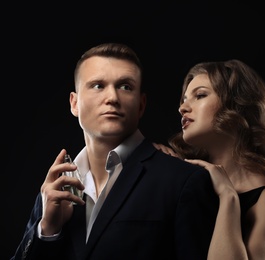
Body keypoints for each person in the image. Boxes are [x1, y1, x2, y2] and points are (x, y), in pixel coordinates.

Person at [10, 43, 219, 260]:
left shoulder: (182, 180)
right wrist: (47, 231)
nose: (112, 97)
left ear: (141, 105)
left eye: (125, 86)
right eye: (98, 86)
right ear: (74, 104)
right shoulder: (55, 188)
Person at [154, 59, 265, 259]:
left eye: (200, 95)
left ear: (236, 104)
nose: (182, 108)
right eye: (183, 99)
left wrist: (228, 197)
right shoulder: (179, 175)